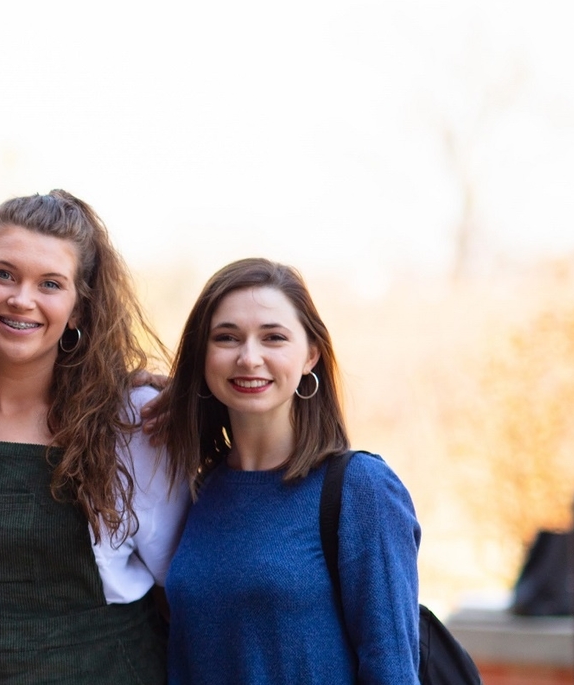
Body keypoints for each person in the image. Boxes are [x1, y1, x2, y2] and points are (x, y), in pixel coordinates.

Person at [0, 190, 186, 683]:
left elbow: (182, 595)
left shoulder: (133, 424)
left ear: (78, 310)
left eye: (50, 284)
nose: (21, 299)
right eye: (3, 274)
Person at [155, 258, 420, 684]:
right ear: (204, 357)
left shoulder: (360, 488)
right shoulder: (199, 488)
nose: (249, 357)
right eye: (226, 338)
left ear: (310, 355)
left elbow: (392, 669)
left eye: (273, 337)